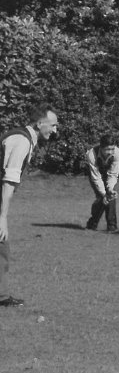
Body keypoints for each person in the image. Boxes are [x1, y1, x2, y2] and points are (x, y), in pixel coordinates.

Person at [1, 107, 60, 307]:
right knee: (1, 244)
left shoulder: (24, 138)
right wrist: (2, 217)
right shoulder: (22, 141)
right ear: (39, 124)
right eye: (52, 125)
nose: (55, 130)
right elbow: (9, 180)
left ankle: (2, 296)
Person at [84, 133, 119, 233]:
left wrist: (110, 189)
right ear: (101, 148)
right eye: (107, 149)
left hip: (108, 174)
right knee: (101, 198)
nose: (110, 152)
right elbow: (96, 178)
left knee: (111, 196)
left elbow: (113, 174)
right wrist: (104, 194)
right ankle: (92, 224)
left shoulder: (117, 152)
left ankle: (112, 227)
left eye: (112, 149)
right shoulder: (92, 154)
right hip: (95, 175)